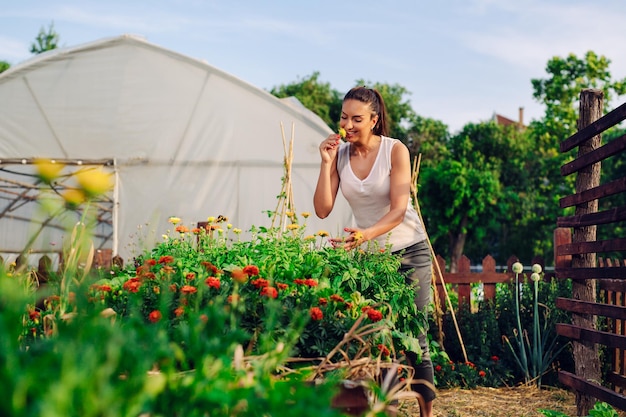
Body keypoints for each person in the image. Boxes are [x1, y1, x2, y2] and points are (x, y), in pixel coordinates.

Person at [313, 86, 435, 416]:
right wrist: (325, 164)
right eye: (343, 117)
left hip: (409, 250)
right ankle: (388, 410)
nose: (347, 125)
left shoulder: (395, 151)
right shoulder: (339, 155)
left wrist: (365, 234)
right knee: (380, 337)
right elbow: (322, 209)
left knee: (414, 336)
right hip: (371, 259)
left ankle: (427, 413)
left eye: (356, 119)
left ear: (374, 120)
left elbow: (398, 210)